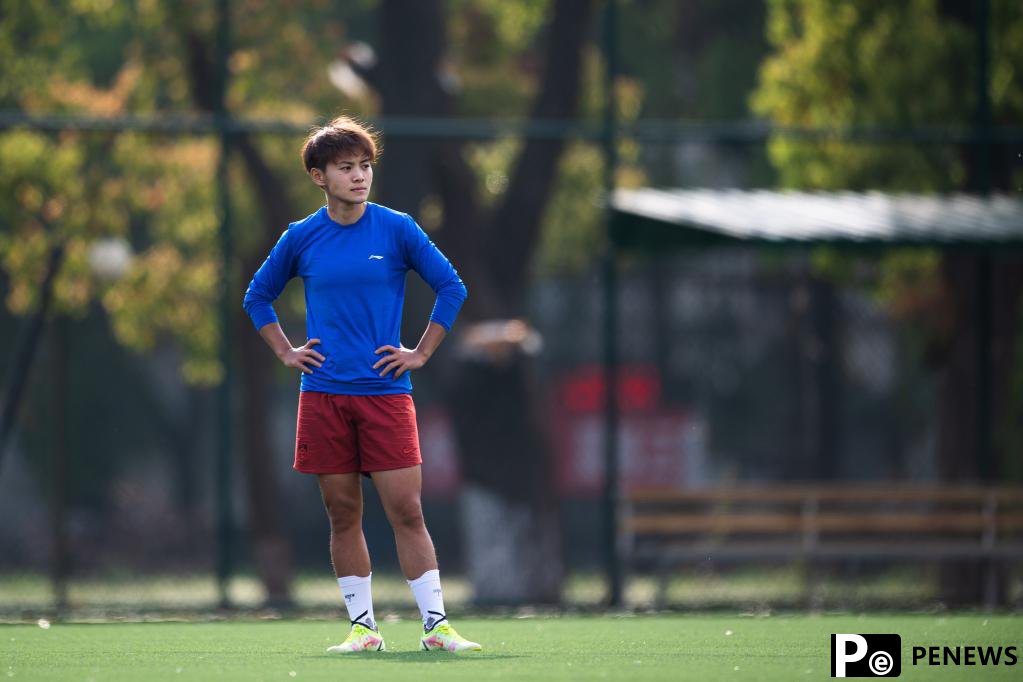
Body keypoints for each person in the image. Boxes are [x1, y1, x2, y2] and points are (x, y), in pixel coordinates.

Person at [242, 115, 479, 654]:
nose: (359, 176)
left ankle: (436, 627)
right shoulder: (301, 237)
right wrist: (285, 350)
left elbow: (451, 286)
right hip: (323, 396)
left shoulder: (396, 228)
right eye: (345, 167)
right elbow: (256, 296)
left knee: (408, 511)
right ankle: (363, 629)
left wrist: (420, 352)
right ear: (318, 176)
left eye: (365, 166)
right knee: (343, 513)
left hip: (385, 395)